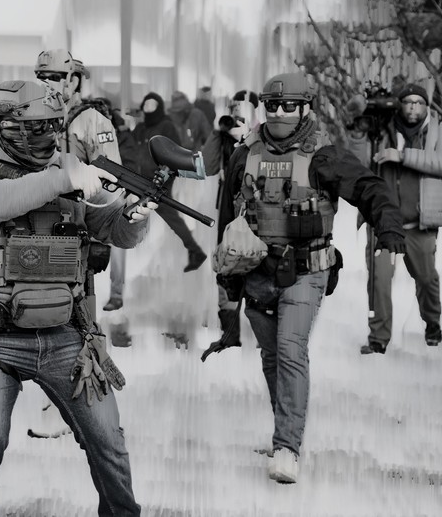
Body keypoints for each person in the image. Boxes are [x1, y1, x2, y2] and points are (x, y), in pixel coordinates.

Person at [0, 80, 154, 516]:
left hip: (65, 336)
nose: (46, 139)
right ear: (4, 127)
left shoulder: (72, 168)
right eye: (34, 128)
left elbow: (110, 226)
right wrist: (64, 177)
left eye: (52, 128)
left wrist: (133, 217)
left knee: (109, 445)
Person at [213, 72, 405, 483]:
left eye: (289, 106)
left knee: (290, 348)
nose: (279, 113)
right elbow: (227, 218)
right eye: (272, 105)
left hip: (306, 271)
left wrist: (388, 228)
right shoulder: (243, 155)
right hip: (256, 272)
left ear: (305, 108)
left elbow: (368, 188)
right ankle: (287, 422)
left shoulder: (323, 155)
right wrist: (225, 276)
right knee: (270, 356)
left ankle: (286, 447)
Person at [344, 82, 442, 354]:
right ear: (400, 105)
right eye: (408, 102)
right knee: (379, 282)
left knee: (427, 278)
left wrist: (403, 155)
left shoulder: (439, 130)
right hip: (384, 224)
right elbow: (360, 164)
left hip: (420, 222)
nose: (413, 108)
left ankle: (432, 323)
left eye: (418, 103)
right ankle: (378, 338)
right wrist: (358, 132)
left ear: (426, 107)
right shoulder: (382, 131)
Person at [33, 49, 127, 312]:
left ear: (72, 81)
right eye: (40, 76)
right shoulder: (31, 117)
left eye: (51, 77)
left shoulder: (92, 122)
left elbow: (111, 183)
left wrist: (98, 235)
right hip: (36, 228)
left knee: (79, 312)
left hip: (77, 229)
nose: (44, 83)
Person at [200, 91, 256, 360]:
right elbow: (208, 166)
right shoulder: (224, 136)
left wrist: (247, 140)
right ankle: (230, 333)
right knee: (227, 262)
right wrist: (219, 133)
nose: (236, 118)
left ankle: (263, 331)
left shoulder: (264, 136)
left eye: (241, 113)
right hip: (228, 206)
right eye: (234, 112)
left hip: (257, 207)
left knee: (259, 262)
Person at [125, 92, 207, 272]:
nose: (147, 108)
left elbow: (174, 153)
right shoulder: (140, 127)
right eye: (145, 105)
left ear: (159, 106)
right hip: (138, 180)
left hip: (157, 182)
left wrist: (164, 179)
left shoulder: (166, 126)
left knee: (168, 216)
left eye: (151, 105)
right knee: (135, 215)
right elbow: (130, 149)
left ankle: (194, 251)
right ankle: (138, 261)